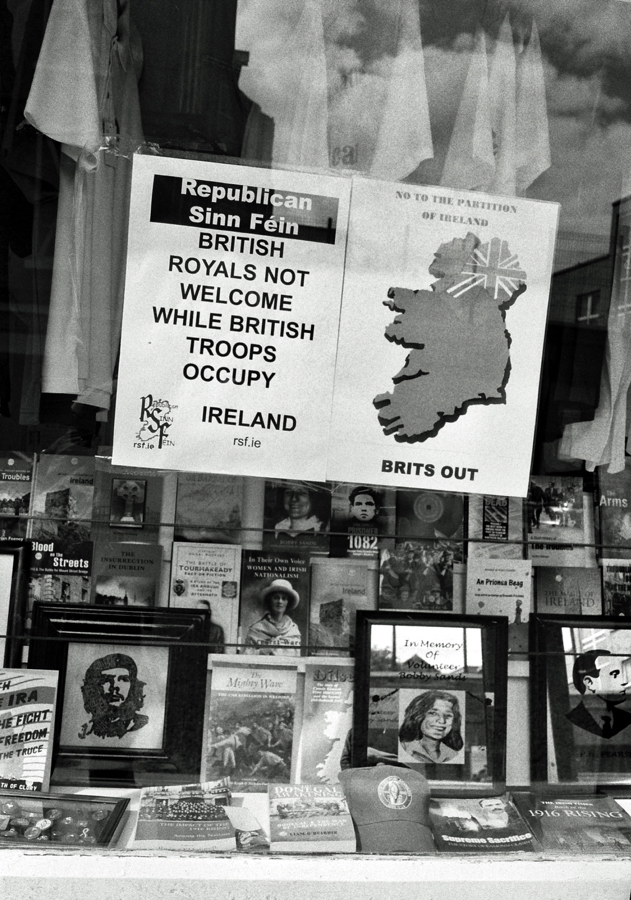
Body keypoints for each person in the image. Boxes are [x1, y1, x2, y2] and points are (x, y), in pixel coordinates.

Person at [79, 652, 148, 740]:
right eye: (107, 680)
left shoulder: (139, 723)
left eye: (123, 680)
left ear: (132, 685)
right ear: (95, 687)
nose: (115, 687)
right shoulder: (87, 729)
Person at [566, 649, 631, 738]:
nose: (623, 682)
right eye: (614, 675)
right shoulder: (570, 723)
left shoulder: (626, 719)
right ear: (589, 682)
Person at [399, 690, 464, 763]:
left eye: (448, 715)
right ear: (418, 716)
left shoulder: (453, 755)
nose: (442, 721)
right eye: (433, 713)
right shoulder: (404, 748)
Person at [244, 578, 302, 655]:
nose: (280, 601)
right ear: (269, 600)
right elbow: (246, 657)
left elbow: (296, 657)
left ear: (288, 602)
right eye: (276, 598)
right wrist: (264, 650)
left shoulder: (293, 629)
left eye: (284, 598)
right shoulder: (257, 629)